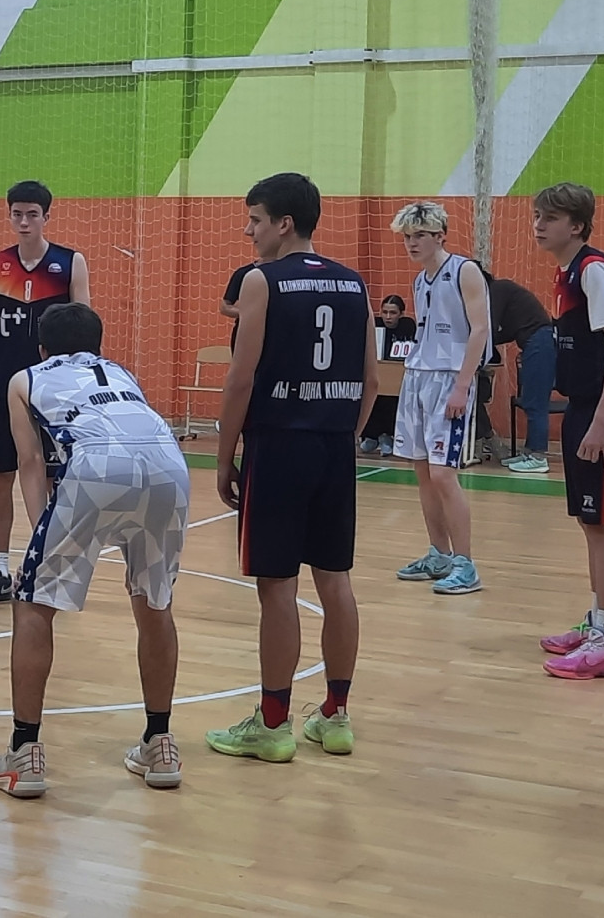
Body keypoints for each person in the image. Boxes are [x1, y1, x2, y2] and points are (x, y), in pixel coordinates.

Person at [0, 303, 189, 798]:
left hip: (96, 465)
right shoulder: (121, 373)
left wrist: (42, 537)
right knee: (155, 603)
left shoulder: (25, 378)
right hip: (170, 467)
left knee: (33, 603)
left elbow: (31, 462)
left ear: (42, 348)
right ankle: (160, 743)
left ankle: (24, 754)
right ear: (98, 345)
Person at [207, 173, 377, 764]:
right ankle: (336, 715)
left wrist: (225, 456)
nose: (248, 231)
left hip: (278, 446)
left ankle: (274, 725)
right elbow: (371, 381)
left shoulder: (262, 280)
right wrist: (342, 435)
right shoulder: (355, 283)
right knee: (335, 579)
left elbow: (240, 378)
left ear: (284, 224)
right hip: (334, 447)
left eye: (254, 220)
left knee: (277, 586)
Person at [533, 183, 604, 680]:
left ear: (576, 225)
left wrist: (602, 421)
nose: (539, 225)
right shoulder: (567, 272)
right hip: (584, 407)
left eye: (550, 217)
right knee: (591, 522)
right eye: (537, 216)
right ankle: (599, 623)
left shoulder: (594, 270)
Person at [0, 181, 91, 607]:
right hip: (4, 385)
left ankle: (52, 565)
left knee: (55, 480)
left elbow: (84, 329)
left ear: (46, 217)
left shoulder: (70, 262)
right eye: (17, 214)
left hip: (53, 388)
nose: (23, 221)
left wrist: (81, 388)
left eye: (32, 214)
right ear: (10, 216)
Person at [390, 201, 491, 596]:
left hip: (449, 379)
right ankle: (439, 555)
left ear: (440, 236)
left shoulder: (465, 271)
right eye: (407, 237)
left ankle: (466, 564)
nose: (411, 243)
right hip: (417, 375)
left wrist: (463, 386)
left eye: (419, 236)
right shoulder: (420, 281)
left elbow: (480, 330)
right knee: (423, 472)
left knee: (443, 474)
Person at [485, 272, 555, 474]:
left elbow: (489, 328)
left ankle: (538, 457)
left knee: (536, 402)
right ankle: (529, 452)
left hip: (540, 343)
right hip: (536, 343)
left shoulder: (496, 289)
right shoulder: (504, 291)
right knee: (531, 400)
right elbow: (505, 333)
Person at [359, 295, 415, 455]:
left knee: (391, 397)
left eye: (393, 313)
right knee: (372, 394)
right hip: (378, 370)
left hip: (398, 374)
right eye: (385, 312)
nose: (388, 317)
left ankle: (387, 435)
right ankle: (371, 435)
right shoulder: (375, 325)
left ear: (401, 314)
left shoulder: (408, 327)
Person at [221, 261, 258, 347]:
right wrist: (251, 314)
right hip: (247, 333)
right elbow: (224, 307)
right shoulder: (243, 273)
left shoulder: (285, 272)